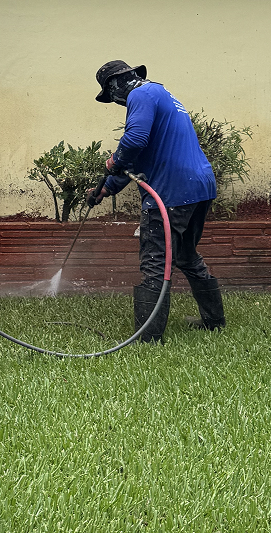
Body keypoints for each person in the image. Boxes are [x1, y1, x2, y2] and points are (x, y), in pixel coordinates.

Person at [86, 60, 225, 343]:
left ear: (114, 86)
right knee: (185, 255)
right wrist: (106, 189)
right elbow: (141, 155)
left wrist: (114, 159)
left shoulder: (140, 95)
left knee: (155, 261)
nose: (116, 102)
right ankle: (214, 321)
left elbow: (134, 141)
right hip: (200, 186)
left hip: (170, 191)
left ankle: (148, 338)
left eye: (111, 97)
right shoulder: (159, 94)